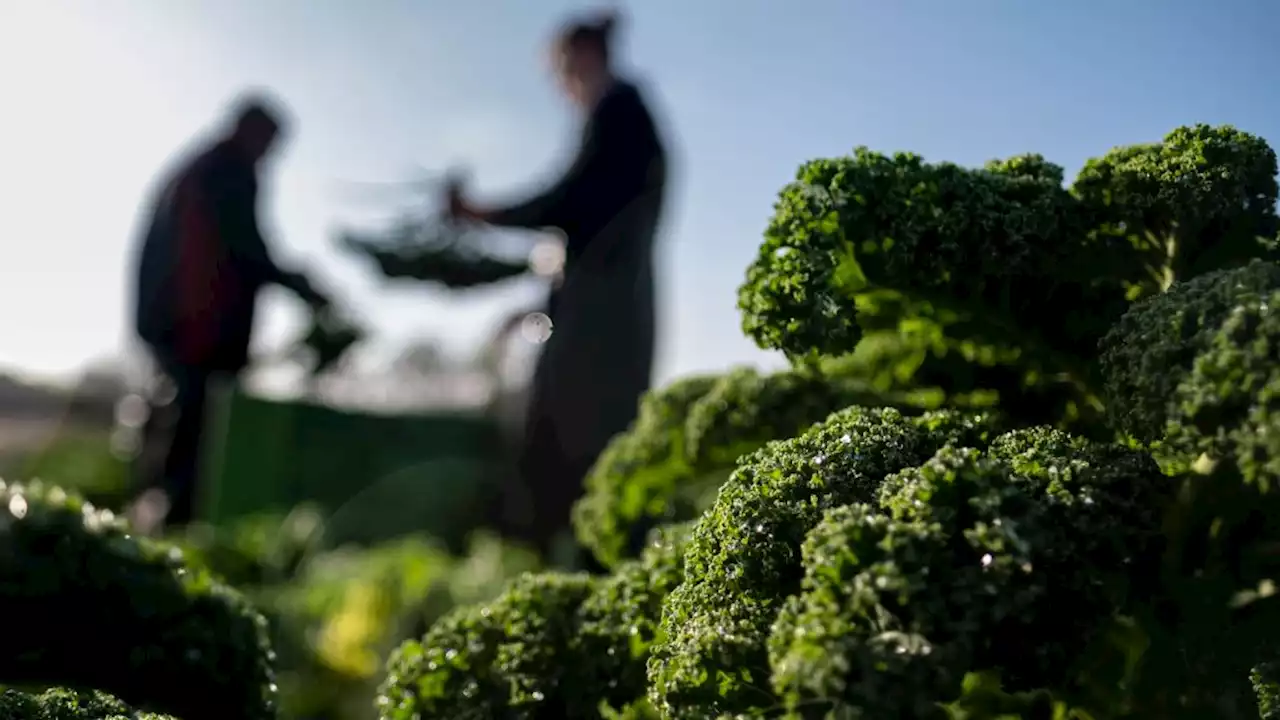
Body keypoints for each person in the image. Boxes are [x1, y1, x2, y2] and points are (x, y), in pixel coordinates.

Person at [447, 9, 669, 564]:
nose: (559, 85)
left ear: (582, 58)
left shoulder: (622, 113)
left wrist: (483, 213)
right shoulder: (623, 117)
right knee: (579, 442)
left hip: (601, 325)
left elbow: (570, 204)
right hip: (603, 314)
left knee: (578, 447)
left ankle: (577, 570)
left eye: (559, 70)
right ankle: (571, 561)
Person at [127, 93, 330, 531]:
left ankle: (155, 514)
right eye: (270, 142)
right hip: (196, 327)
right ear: (249, 130)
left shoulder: (198, 167)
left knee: (178, 420)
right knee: (198, 431)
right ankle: (174, 531)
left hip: (169, 321)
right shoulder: (228, 170)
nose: (270, 155)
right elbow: (245, 247)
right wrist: (302, 286)